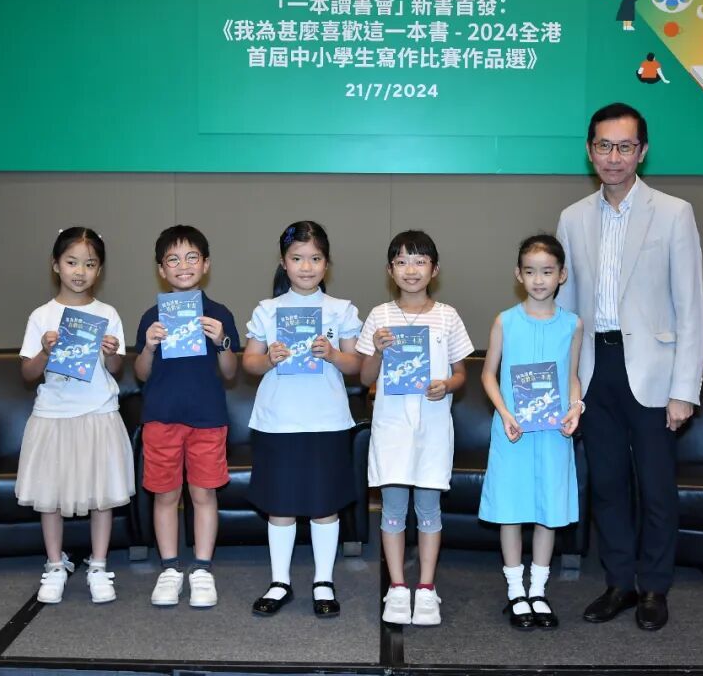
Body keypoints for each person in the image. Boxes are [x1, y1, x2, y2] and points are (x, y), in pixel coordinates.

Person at [555, 103, 703, 631]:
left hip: (654, 372)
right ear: (589, 150)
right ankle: (618, 582)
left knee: (657, 489)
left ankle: (654, 587)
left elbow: (692, 308)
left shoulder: (674, 213)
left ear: (642, 152)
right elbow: (565, 311)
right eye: (604, 146)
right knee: (607, 485)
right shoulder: (572, 218)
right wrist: (568, 380)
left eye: (624, 146)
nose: (613, 157)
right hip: (594, 367)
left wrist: (685, 389)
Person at [241, 220, 364, 618]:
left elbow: (357, 365)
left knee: (324, 505)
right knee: (281, 505)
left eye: (315, 258)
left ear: (327, 263)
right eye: (297, 259)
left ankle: (323, 581)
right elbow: (249, 362)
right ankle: (280, 581)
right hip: (278, 421)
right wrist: (268, 359)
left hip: (327, 420)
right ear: (284, 262)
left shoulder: (341, 309)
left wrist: (333, 354)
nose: (306, 267)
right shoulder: (268, 309)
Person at [357, 230, 474, 627]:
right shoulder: (379, 315)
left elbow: (461, 373)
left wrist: (447, 385)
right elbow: (365, 377)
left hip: (433, 427)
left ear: (434, 270)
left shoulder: (448, 316)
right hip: (392, 428)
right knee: (392, 510)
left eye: (420, 261)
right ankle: (396, 586)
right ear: (390, 270)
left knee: (428, 510)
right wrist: (377, 350)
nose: (411, 270)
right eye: (402, 262)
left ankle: (425, 588)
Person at [15, 227, 136, 605]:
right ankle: (55, 564)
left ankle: (98, 565)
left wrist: (112, 352)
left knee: (102, 496)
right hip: (53, 416)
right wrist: (45, 352)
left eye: (89, 264)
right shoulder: (41, 316)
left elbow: (116, 368)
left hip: (99, 413)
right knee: (50, 496)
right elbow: (27, 373)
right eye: (71, 262)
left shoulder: (107, 314)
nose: (80, 271)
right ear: (56, 265)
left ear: (99, 270)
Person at [478, 234, 583, 629]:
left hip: (554, 433)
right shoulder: (505, 321)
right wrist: (504, 412)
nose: (539, 280)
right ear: (518, 275)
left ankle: (538, 590)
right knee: (511, 509)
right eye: (531, 271)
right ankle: (515, 591)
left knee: (547, 511)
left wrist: (576, 407)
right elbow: (488, 375)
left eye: (547, 271)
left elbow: (572, 377)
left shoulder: (572, 324)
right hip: (514, 431)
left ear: (562, 275)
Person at [134, 225, 240, 608]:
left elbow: (230, 372)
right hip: (161, 417)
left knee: (204, 493)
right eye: (173, 259)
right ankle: (168, 568)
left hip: (207, 418)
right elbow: (141, 374)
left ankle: (202, 569)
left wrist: (221, 341)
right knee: (165, 495)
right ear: (161, 269)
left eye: (192, 257)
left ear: (206, 264)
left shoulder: (219, 314)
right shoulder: (152, 316)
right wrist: (149, 346)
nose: (183, 266)